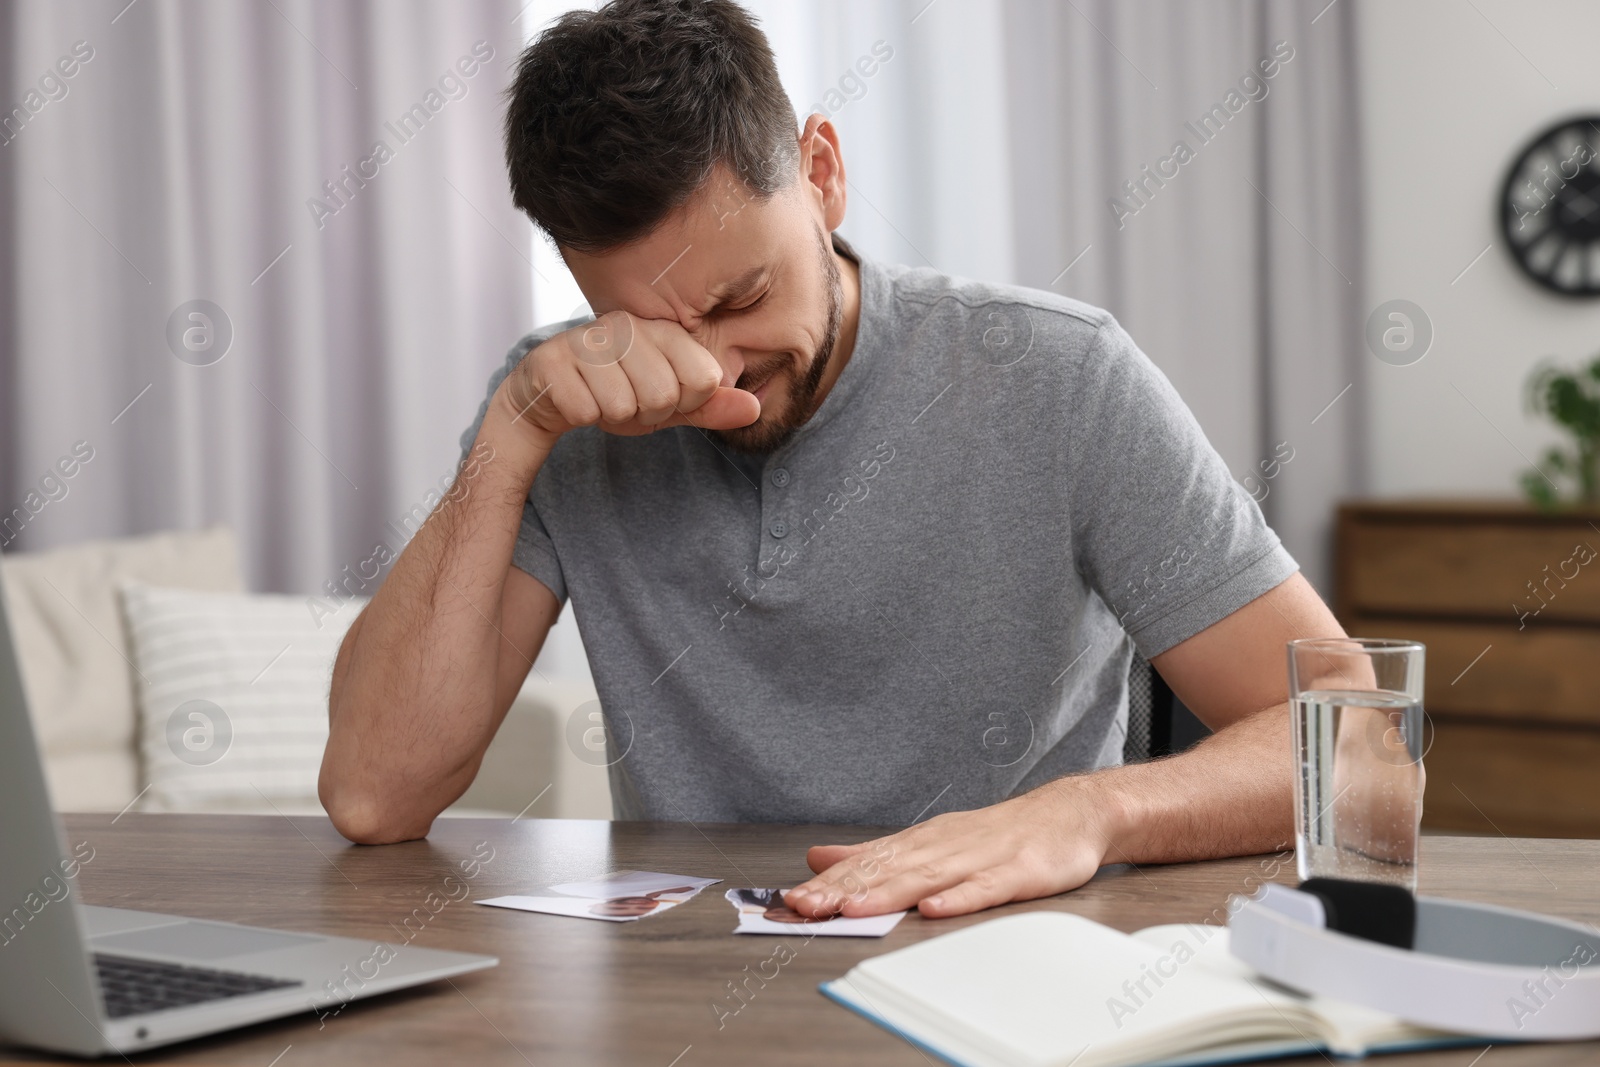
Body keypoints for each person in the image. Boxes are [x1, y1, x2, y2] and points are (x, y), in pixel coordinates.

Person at [318, 0, 1350, 921]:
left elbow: (1354, 746)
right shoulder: (563, 411)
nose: (711, 372)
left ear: (822, 173)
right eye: (640, 322)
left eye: (740, 299)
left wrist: (1088, 811)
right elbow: (374, 792)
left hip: (1008, 975)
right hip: (687, 1003)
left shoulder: (1060, 376)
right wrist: (508, 440)